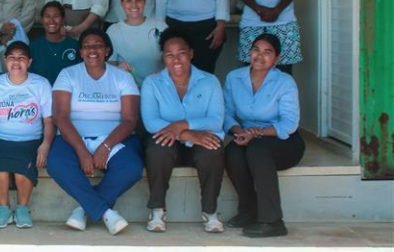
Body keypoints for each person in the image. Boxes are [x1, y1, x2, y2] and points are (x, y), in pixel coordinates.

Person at [46, 29, 143, 235]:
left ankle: (84, 208)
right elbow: (61, 117)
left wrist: (106, 146)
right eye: (87, 46)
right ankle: (106, 213)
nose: (92, 50)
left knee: (132, 168)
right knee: (56, 164)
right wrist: (82, 150)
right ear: (80, 52)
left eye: (98, 45)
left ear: (107, 50)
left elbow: (129, 119)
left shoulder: (122, 77)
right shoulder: (68, 74)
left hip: (115, 137)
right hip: (74, 137)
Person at [141, 28, 225, 234]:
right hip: (172, 142)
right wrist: (186, 133)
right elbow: (151, 121)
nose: (176, 59)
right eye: (169, 55)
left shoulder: (209, 81)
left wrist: (182, 124)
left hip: (199, 142)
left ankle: (211, 211)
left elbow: (216, 120)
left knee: (213, 147)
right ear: (163, 58)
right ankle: (157, 210)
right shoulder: (153, 82)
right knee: (157, 148)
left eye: (181, 53)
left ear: (191, 54)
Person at [224, 33, 305, 238]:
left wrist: (257, 133)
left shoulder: (285, 82)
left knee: (257, 152)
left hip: (283, 140)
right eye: (256, 50)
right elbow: (226, 113)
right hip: (247, 136)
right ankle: (249, 211)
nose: (260, 56)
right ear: (249, 53)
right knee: (232, 152)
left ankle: (272, 221)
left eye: (267, 52)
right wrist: (239, 131)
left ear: (276, 59)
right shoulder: (235, 78)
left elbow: (290, 124)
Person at [0, 41, 54, 228]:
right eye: (11, 58)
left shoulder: (41, 84)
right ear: (5, 60)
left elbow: (49, 121)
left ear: (29, 62)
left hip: (30, 140)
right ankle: (3, 209)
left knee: (24, 165)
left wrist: (45, 144)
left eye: (21, 58)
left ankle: (22, 208)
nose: (16, 62)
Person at [107, 0, 167, 88]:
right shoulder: (113, 31)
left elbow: (170, 59)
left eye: (138, 0)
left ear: (144, 2)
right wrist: (118, 70)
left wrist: (163, 73)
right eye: (128, 0)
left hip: (159, 88)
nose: (134, 5)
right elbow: (110, 69)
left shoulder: (160, 26)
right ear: (122, 4)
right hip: (127, 91)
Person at [29, 1, 81, 85]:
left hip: (69, 95)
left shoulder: (75, 45)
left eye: (56, 16)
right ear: (42, 20)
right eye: (47, 16)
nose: (51, 21)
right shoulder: (33, 47)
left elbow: (81, 76)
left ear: (63, 19)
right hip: (41, 96)